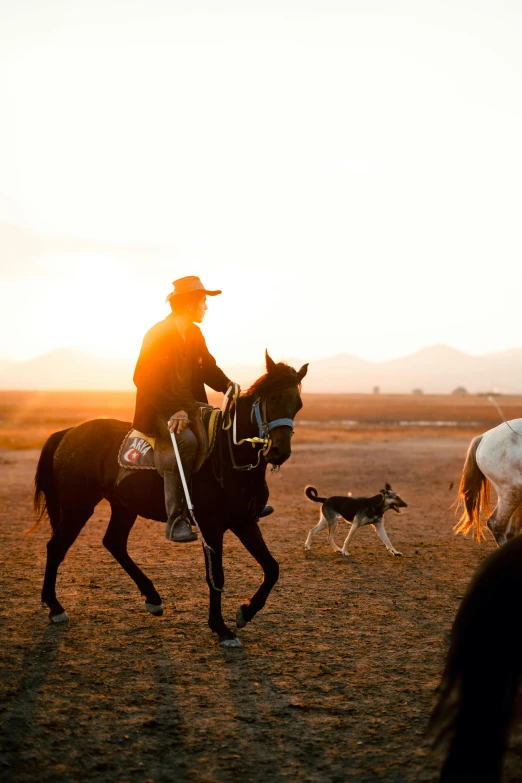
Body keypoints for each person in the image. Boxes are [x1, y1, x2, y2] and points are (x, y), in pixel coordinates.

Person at [132, 276, 234, 543]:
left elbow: (207, 367)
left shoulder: (194, 333)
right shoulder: (157, 333)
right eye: (203, 302)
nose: (206, 308)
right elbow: (142, 377)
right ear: (190, 304)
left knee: (221, 431)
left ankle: (231, 502)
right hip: (158, 407)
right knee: (186, 441)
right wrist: (173, 410)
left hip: (190, 406)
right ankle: (176, 519)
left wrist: (228, 386)